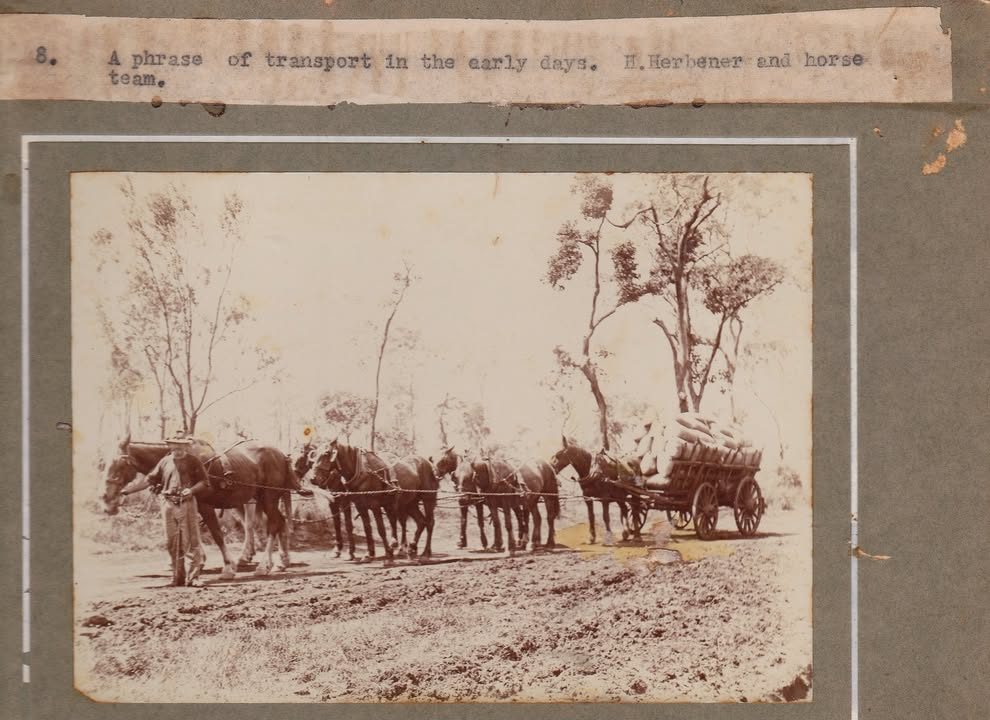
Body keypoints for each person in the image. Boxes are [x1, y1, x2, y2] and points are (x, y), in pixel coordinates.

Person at [147, 435, 209, 587]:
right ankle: (177, 577)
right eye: (174, 446)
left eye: (181, 446)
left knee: (190, 540)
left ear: (186, 447)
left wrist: (192, 490)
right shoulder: (164, 461)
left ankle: (193, 577)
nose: (177, 450)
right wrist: (153, 485)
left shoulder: (193, 461)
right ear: (170, 446)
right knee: (172, 542)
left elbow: (204, 482)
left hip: (186, 503)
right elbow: (152, 477)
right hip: (167, 504)